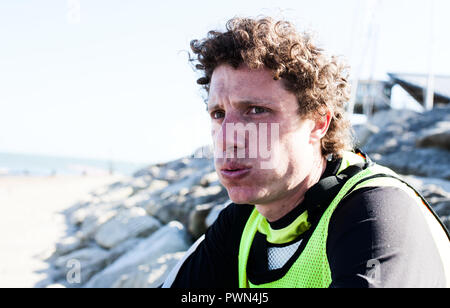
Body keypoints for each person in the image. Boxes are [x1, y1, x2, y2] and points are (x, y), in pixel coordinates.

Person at [162, 16, 450, 288]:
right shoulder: (242, 221)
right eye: (218, 114)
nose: (226, 138)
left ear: (318, 123)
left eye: (257, 110)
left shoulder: (377, 212)